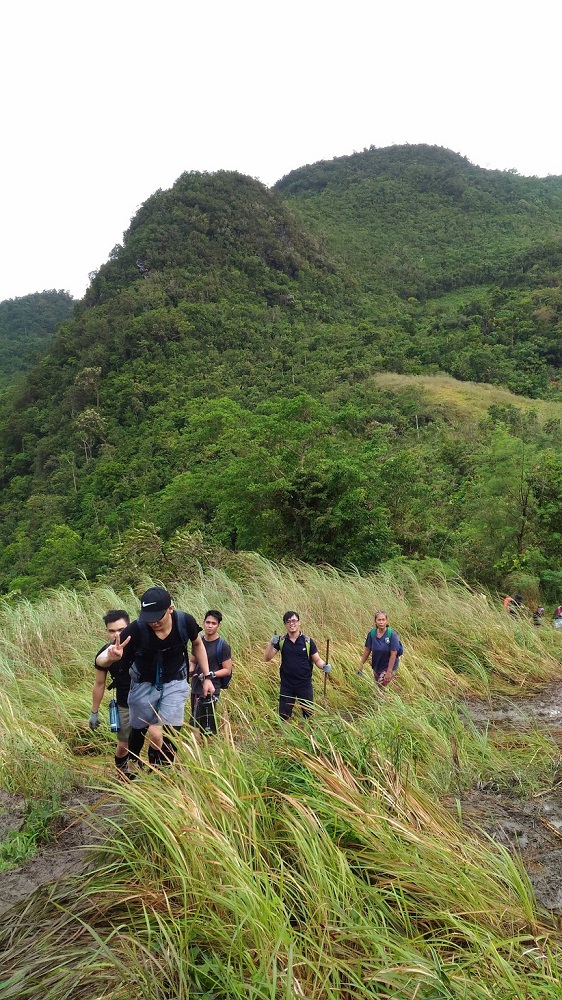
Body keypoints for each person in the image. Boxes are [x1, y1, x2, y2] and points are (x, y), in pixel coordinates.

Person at [96, 586, 214, 767]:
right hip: (143, 683)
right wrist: (109, 657)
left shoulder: (185, 622)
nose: (153, 623)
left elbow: (197, 644)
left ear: (170, 609)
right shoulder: (136, 629)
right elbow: (101, 661)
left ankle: (162, 771)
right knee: (138, 730)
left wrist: (207, 677)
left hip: (175, 681)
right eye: (148, 618)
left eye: (157, 617)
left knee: (168, 731)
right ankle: (134, 763)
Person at [89, 610, 138, 779]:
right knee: (124, 744)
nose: (117, 634)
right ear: (107, 631)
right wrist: (94, 712)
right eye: (112, 631)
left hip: (148, 701)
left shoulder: (142, 645)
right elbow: (99, 683)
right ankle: (123, 776)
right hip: (124, 703)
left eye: (121, 629)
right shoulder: (105, 653)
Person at [264, 611, 331, 720]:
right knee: (284, 716)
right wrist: (271, 643)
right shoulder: (281, 641)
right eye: (288, 621)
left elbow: (317, 659)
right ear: (285, 624)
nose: (291, 624)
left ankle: (310, 736)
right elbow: (267, 658)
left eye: (294, 621)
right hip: (287, 684)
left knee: (308, 714)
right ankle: (285, 735)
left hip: (304, 684)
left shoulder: (307, 641)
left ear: (299, 622)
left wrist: (324, 666)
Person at [189, 609, 233, 735]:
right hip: (196, 687)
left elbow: (227, 670)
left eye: (213, 623)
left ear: (219, 625)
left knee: (208, 725)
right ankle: (196, 750)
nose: (210, 625)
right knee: (195, 722)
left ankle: (208, 750)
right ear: (203, 623)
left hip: (212, 689)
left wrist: (211, 675)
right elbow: (193, 661)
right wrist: (190, 670)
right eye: (207, 622)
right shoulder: (198, 642)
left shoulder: (223, 645)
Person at [358, 610, 402, 687]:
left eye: (383, 620)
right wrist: (361, 664)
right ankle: (386, 698)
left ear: (386, 621)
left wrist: (389, 672)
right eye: (379, 620)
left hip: (388, 665)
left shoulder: (392, 634)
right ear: (375, 622)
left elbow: (393, 654)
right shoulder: (372, 633)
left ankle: (380, 698)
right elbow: (367, 650)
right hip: (377, 665)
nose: (381, 622)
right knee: (379, 686)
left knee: (380, 687)